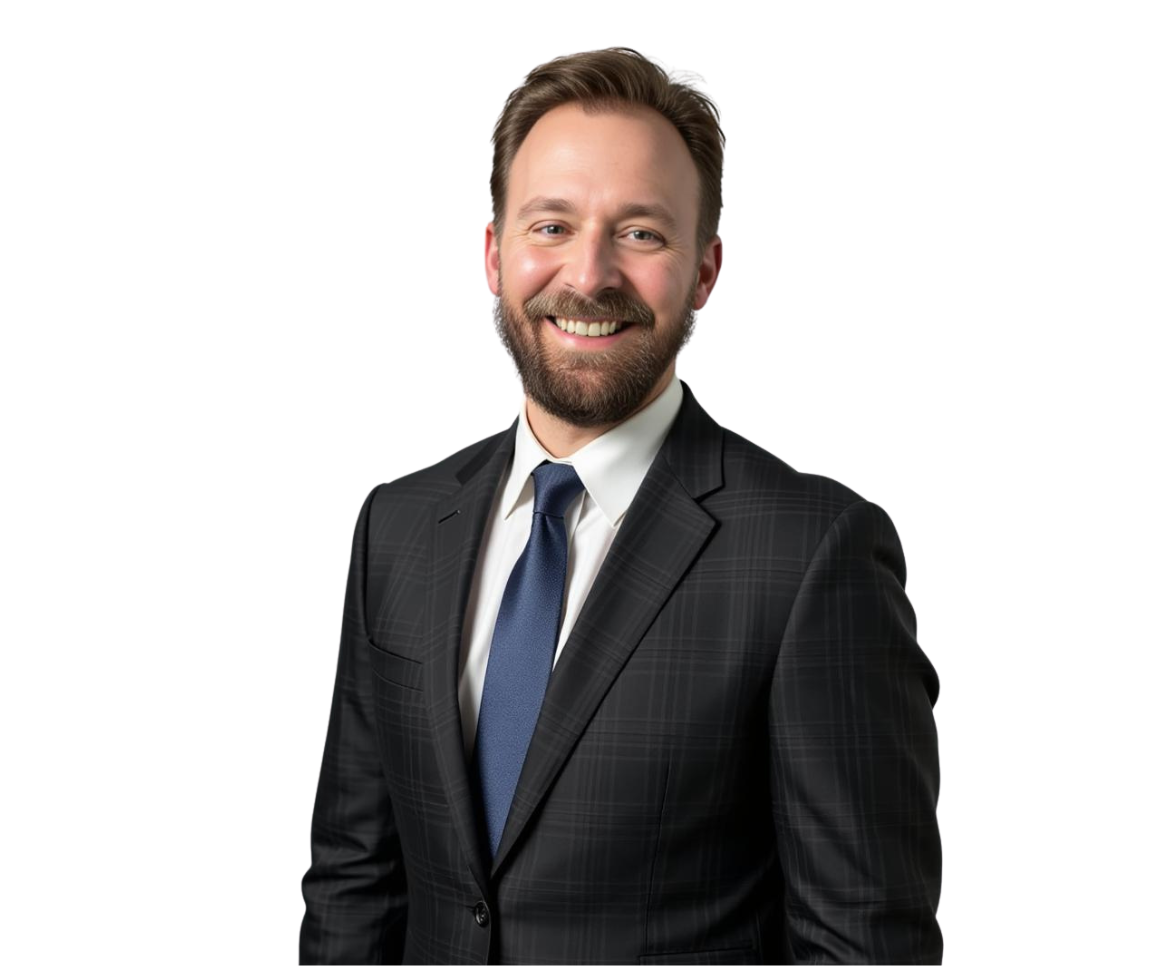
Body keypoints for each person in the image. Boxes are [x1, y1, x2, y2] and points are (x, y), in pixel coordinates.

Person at [299, 46, 942, 966]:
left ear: (707, 272)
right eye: (550, 226)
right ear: (492, 254)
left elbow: (865, 944)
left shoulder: (816, 553)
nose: (588, 274)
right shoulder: (395, 526)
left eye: (640, 233)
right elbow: (350, 884)